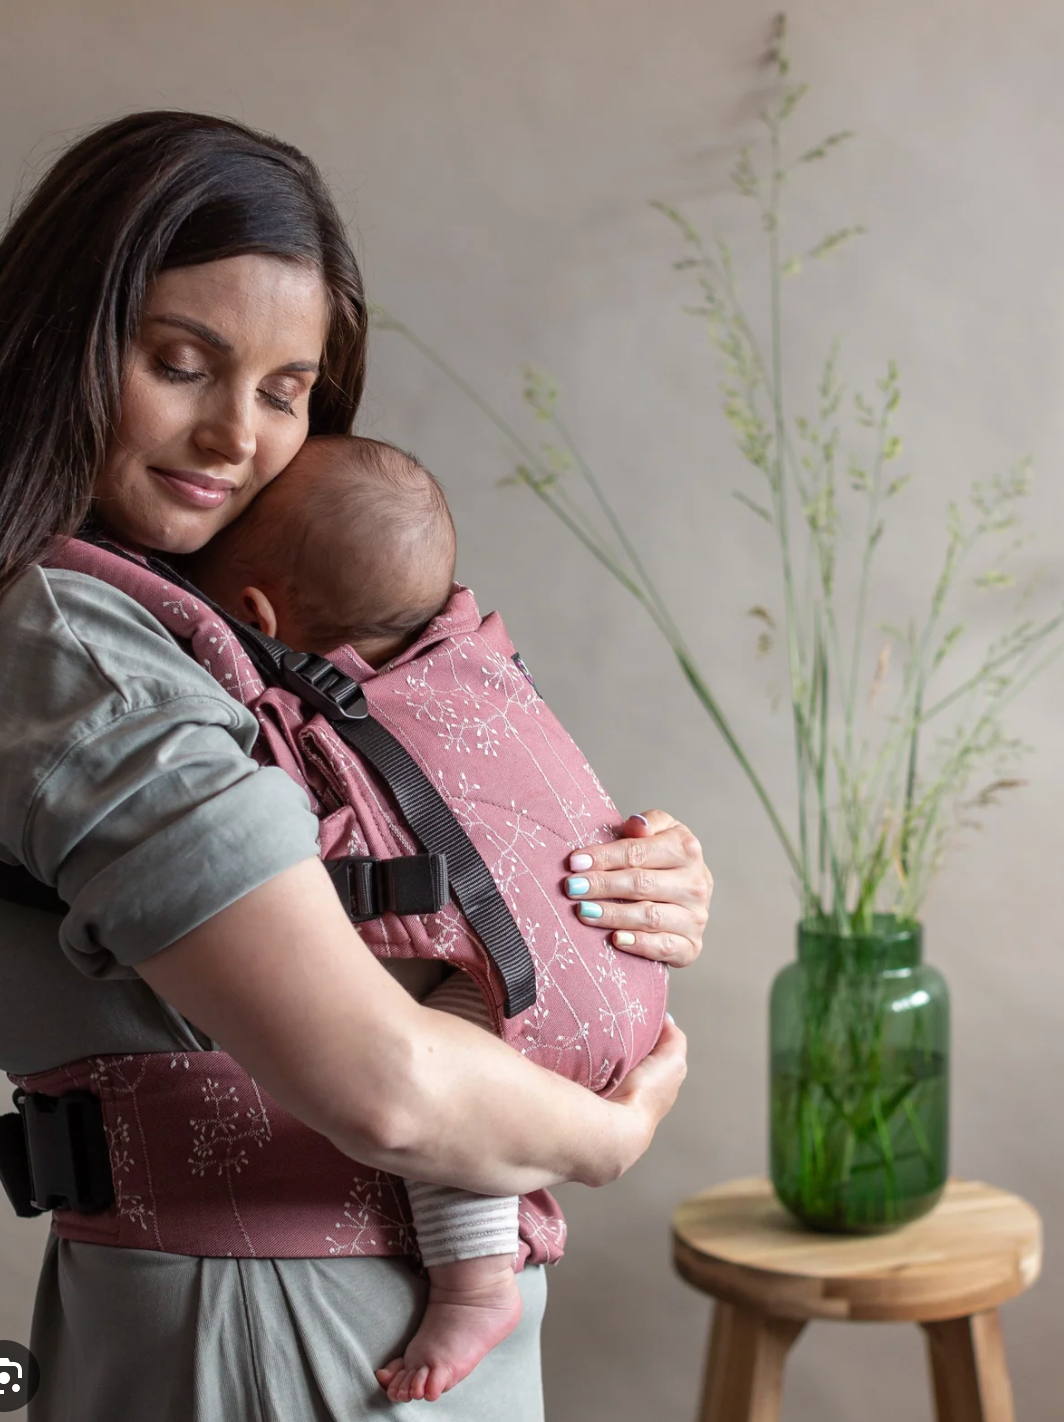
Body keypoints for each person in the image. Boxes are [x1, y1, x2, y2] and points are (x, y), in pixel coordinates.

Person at [0, 110, 711, 1422]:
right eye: (180, 362)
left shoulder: (207, 619)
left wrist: (604, 883)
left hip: (378, 1300)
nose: (234, 436)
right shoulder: (70, 637)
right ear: (65, 344)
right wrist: (609, 1132)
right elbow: (382, 1087)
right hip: (259, 1316)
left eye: (284, 390)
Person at [186, 432, 668, 1403]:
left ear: (256, 612)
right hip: (619, 967)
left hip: (518, 985)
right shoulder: (469, 666)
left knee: (449, 1070)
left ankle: (474, 1281)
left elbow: (397, 1084)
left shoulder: (318, 718)